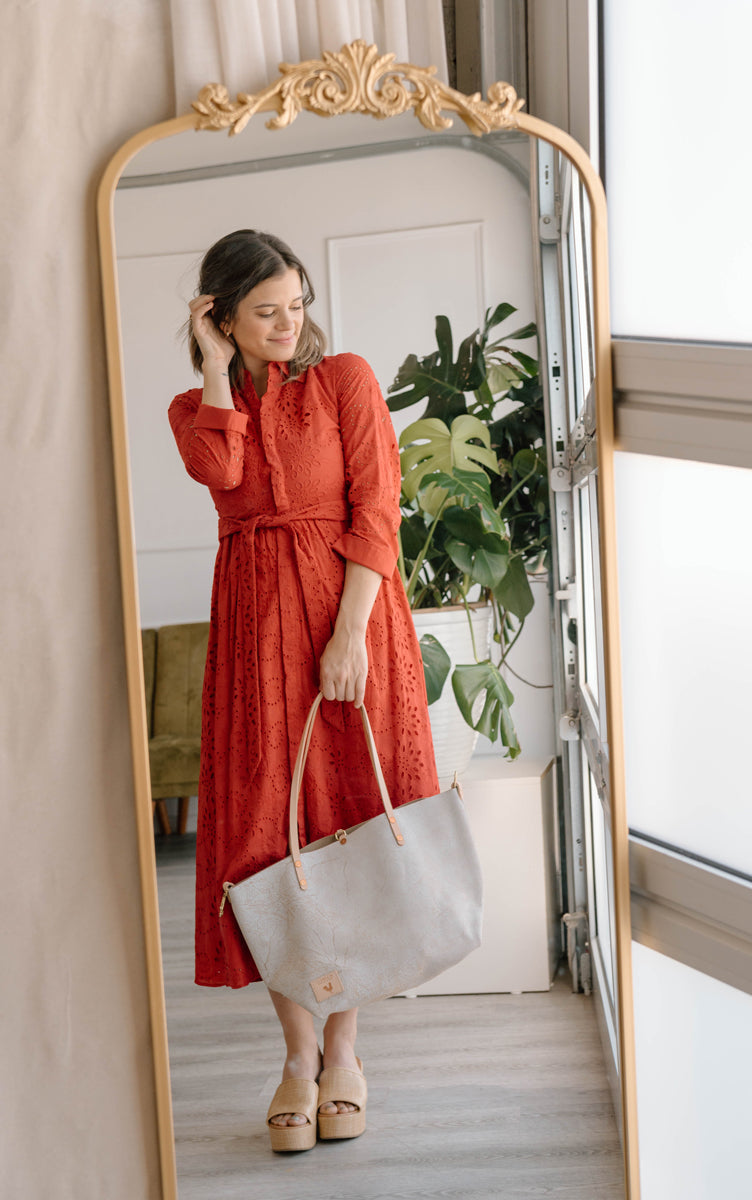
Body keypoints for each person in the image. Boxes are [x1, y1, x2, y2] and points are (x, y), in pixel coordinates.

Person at [168, 230, 439, 1152]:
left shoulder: (345, 380)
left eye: (296, 304)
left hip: (349, 622)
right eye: (264, 311)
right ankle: (295, 1055)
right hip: (255, 639)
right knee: (265, 842)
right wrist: (216, 372)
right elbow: (220, 475)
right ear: (219, 317)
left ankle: (346, 1053)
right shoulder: (195, 407)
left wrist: (351, 634)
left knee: (346, 824)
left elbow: (377, 512)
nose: (289, 324)